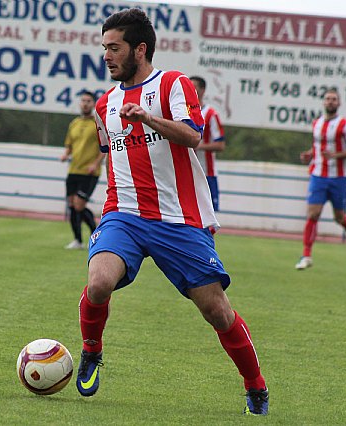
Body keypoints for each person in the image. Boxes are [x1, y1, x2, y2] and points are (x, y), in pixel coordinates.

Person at [75, 8, 268, 415]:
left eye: (114, 48)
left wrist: (148, 117)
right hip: (124, 214)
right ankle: (92, 350)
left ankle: (255, 384)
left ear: (139, 49)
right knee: (98, 283)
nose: (106, 56)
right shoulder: (104, 105)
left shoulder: (173, 84)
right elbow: (114, 159)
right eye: (104, 48)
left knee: (216, 310)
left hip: (178, 219)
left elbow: (193, 136)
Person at [295, 88, 346, 270]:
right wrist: (309, 155)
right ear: (323, 102)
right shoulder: (316, 123)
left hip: (338, 178)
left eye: (334, 99)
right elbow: (317, 147)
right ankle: (306, 255)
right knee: (313, 214)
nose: (330, 102)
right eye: (327, 99)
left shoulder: (345, 125)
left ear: (339, 103)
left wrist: (335, 155)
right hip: (318, 176)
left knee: (339, 217)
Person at [60, 91, 105, 249]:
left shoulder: (97, 123)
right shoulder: (74, 123)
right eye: (83, 100)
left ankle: (96, 235)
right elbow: (69, 145)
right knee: (72, 205)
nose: (85, 103)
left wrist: (96, 163)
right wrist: (66, 154)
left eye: (88, 101)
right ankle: (78, 240)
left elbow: (104, 147)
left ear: (93, 104)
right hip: (74, 170)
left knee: (79, 205)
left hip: (89, 172)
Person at [190, 76, 226, 211]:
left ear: (203, 90)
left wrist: (197, 145)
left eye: (195, 87)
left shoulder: (211, 114)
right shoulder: (182, 112)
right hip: (187, 172)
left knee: (207, 215)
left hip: (207, 173)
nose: (191, 90)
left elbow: (220, 145)